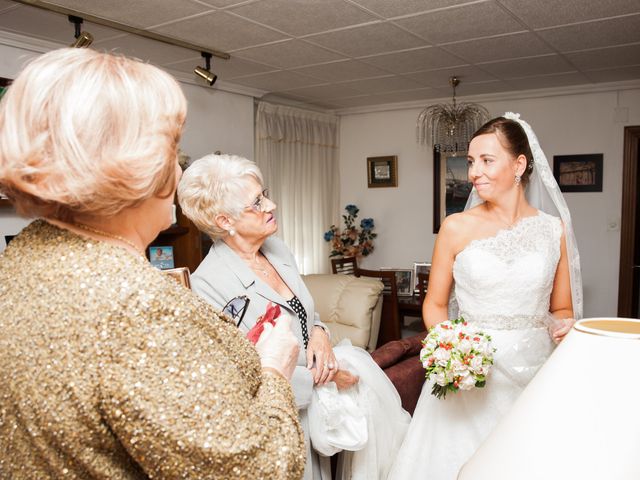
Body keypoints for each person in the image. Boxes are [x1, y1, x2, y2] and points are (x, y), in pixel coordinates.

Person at [0, 48, 305, 479]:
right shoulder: (137, 307)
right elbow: (262, 469)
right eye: (172, 151)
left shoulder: (21, 260)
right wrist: (274, 370)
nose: (179, 172)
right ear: (133, 168)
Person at [178, 153, 410, 480]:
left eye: (265, 194)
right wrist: (326, 378)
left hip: (322, 413)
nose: (271, 205)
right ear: (224, 222)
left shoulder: (278, 251)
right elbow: (244, 374)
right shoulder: (207, 286)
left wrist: (319, 332)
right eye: (257, 202)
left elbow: (306, 313)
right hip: (281, 417)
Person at [387, 113, 582, 480]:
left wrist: (565, 326)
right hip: (469, 370)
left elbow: (562, 307)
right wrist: (451, 348)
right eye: (471, 161)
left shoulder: (553, 229)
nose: (474, 172)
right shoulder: (455, 227)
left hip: (532, 373)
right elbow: (435, 303)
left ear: (520, 165)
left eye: (487, 160)